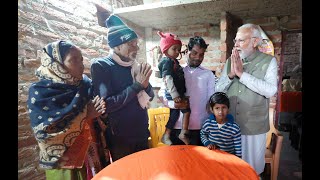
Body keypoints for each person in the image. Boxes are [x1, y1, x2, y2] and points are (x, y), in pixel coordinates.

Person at [27, 40, 108, 180]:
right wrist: (86, 114)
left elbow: (97, 109)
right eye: (74, 60)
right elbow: (44, 131)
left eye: (81, 59)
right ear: (56, 64)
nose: (81, 65)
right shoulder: (41, 92)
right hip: (63, 158)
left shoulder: (85, 84)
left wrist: (99, 113)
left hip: (91, 148)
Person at [91, 10, 155, 162]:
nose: (136, 48)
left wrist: (144, 85)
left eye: (136, 43)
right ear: (117, 46)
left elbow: (150, 95)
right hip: (120, 137)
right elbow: (106, 105)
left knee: (144, 172)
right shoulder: (102, 66)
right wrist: (137, 86)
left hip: (141, 131)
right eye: (131, 44)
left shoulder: (135, 66)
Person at [215, 23, 278, 175]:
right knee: (230, 167)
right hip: (229, 125)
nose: (236, 45)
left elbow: (270, 91)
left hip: (253, 127)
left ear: (255, 42)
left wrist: (242, 75)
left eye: (241, 41)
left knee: (251, 169)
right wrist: (230, 75)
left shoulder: (269, 61)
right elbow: (218, 90)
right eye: (235, 41)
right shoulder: (231, 61)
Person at [158, 36, 215, 146]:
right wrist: (174, 104)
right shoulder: (176, 70)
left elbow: (211, 101)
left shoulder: (208, 75)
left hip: (201, 129)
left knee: (199, 162)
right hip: (177, 127)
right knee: (176, 162)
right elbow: (161, 93)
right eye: (194, 53)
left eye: (201, 54)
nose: (198, 58)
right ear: (186, 51)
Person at [157, 31, 191, 145]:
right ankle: (183, 133)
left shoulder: (173, 61)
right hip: (173, 94)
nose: (177, 52)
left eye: (178, 49)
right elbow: (168, 79)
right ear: (165, 49)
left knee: (175, 114)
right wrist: (175, 95)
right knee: (186, 111)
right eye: (174, 49)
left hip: (177, 93)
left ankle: (167, 135)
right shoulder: (167, 61)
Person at [200, 92, 241, 158]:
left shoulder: (234, 127)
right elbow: (203, 134)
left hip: (228, 159)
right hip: (211, 157)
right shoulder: (208, 123)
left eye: (223, 108)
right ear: (211, 109)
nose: (220, 112)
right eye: (217, 108)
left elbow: (238, 148)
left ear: (228, 108)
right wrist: (208, 143)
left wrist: (238, 160)